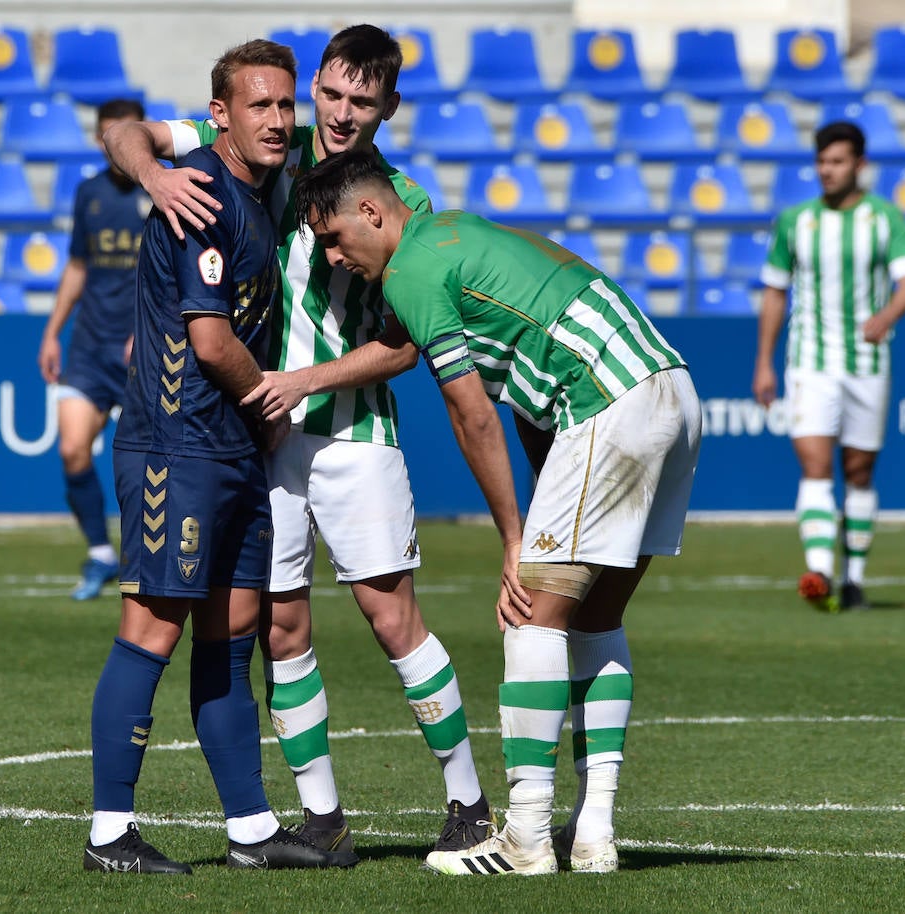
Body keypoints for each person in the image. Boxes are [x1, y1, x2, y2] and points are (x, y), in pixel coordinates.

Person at [103, 24, 493, 855]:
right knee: (279, 628)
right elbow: (122, 133)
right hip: (262, 439)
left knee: (394, 621)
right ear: (316, 87)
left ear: (390, 105)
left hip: (353, 434)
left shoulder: (404, 201)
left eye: (363, 100)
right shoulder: (269, 137)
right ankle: (320, 818)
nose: (340, 114)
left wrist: (301, 383)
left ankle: (467, 800)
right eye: (332, 94)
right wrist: (155, 177)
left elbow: (406, 342)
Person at [294, 151, 702, 877]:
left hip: (605, 402)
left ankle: (526, 838)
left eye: (333, 239)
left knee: (527, 615)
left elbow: (471, 412)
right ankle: (594, 834)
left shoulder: (410, 270)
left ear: (371, 212)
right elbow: (522, 385)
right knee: (597, 616)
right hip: (670, 386)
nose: (332, 257)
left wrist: (514, 538)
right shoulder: (454, 233)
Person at [83, 39, 347, 875]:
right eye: (258, 106)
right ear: (220, 115)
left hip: (231, 450)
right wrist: (273, 396)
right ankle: (109, 834)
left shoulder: (263, 188)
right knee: (150, 630)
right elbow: (209, 340)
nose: (277, 120)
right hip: (177, 446)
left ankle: (250, 831)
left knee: (234, 636)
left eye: (284, 105)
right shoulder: (202, 193)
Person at [753, 121, 905, 612]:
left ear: (859, 165)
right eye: (822, 161)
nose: (827, 170)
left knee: (860, 470)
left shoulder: (885, 218)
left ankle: (854, 579)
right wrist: (763, 361)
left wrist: (886, 316)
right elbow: (774, 292)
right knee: (814, 464)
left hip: (867, 361)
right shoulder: (795, 221)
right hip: (810, 360)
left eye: (837, 161)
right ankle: (820, 572)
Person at [37, 98, 150, 601]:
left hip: (144, 350)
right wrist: (51, 331)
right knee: (71, 449)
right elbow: (78, 265)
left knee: (147, 462)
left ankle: (148, 557)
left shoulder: (163, 189)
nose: (114, 147)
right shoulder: (89, 193)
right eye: (106, 137)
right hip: (89, 344)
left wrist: (150, 329)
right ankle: (101, 554)